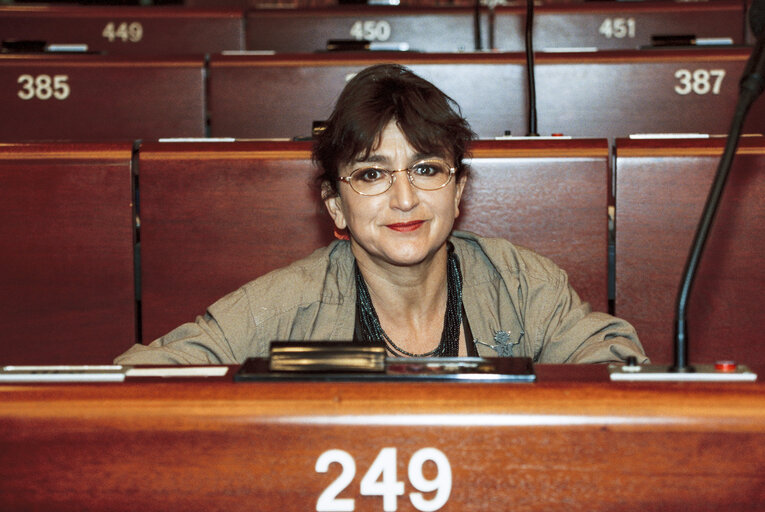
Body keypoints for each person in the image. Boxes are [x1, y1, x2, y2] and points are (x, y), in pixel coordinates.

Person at [115, 63, 647, 365]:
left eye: (426, 170)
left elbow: (618, 370)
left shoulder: (522, 285)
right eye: (371, 175)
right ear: (334, 206)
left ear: (458, 191)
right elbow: (139, 380)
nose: (404, 200)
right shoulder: (284, 305)